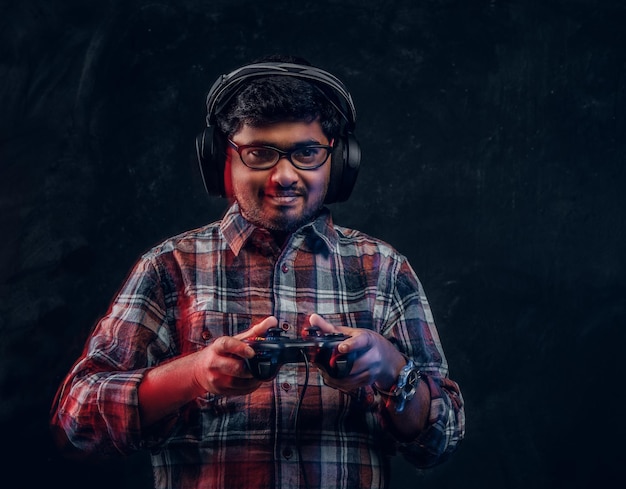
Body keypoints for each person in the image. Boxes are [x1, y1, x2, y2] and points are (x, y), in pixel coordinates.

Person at [50, 55, 465, 489]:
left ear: (339, 162)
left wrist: (391, 369)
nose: (284, 175)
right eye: (259, 153)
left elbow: (442, 441)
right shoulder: (169, 266)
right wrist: (192, 375)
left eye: (307, 152)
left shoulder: (384, 269)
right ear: (220, 161)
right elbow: (75, 425)